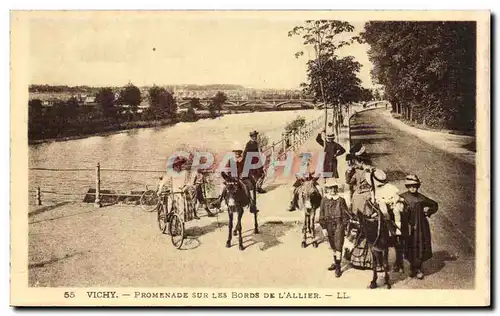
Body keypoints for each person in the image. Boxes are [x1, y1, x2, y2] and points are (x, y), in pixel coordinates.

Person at [399, 174, 438, 279]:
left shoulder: (421, 198)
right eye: (410, 186)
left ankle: (419, 268)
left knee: (420, 246)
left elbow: (434, 205)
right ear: (407, 187)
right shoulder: (402, 198)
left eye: (415, 186)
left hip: (420, 227)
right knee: (409, 245)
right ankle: (413, 267)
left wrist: (427, 212)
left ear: (418, 186)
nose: (413, 188)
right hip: (408, 226)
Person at [318, 179, 349, 278]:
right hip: (328, 225)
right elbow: (321, 214)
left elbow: (345, 215)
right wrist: (323, 228)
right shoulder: (324, 200)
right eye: (331, 188)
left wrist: (345, 226)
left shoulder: (341, 200)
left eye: (334, 188)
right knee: (332, 246)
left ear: (337, 189)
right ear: (327, 189)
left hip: (339, 225)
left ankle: (338, 267)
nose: (333, 190)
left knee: (338, 245)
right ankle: (336, 262)